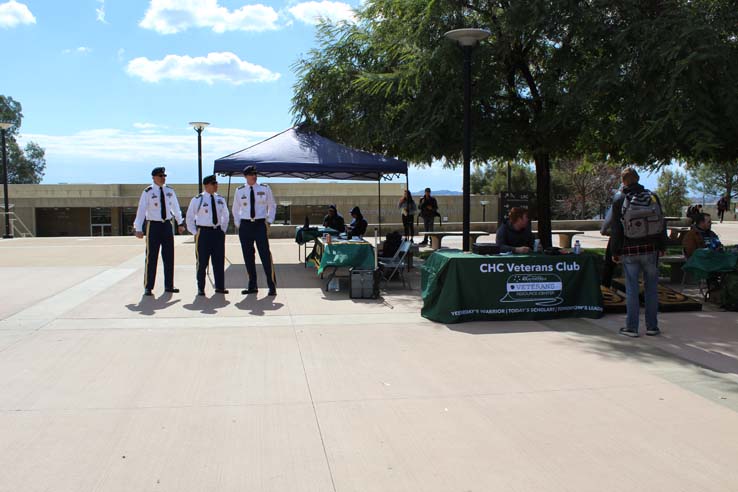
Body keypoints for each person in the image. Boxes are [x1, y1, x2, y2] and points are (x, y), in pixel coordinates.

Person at [611, 167, 667, 338]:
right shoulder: (652, 197)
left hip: (629, 250)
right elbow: (661, 222)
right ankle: (652, 327)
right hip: (651, 249)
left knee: (632, 289)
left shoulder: (620, 198)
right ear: (638, 178)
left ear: (623, 181)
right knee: (651, 289)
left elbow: (616, 228)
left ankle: (632, 327)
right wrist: (662, 246)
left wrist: (615, 251)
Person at [133, 166, 185, 296]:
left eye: (164, 176)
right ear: (154, 177)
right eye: (161, 176)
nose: (163, 178)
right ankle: (148, 286)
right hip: (153, 226)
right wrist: (138, 228)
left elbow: (175, 207)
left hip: (167, 225)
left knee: (169, 257)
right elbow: (141, 210)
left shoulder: (169, 191)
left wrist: (180, 222)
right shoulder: (148, 192)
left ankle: (169, 285)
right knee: (152, 257)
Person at [232, 166, 277, 296]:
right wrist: (238, 224)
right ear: (245, 176)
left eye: (255, 174)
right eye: (251, 174)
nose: (254, 176)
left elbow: (272, 205)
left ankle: (272, 285)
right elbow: (235, 209)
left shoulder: (264, 188)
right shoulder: (240, 190)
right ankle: (252, 285)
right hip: (246, 225)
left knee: (265, 255)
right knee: (248, 257)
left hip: (259, 225)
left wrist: (269, 221)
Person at [186, 175, 230, 296]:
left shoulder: (220, 199)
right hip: (203, 233)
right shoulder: (198, 199)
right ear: (206, 185)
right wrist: (195, 232)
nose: (216, 185)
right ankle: (201, 288)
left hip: (217, 232)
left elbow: (226, 215)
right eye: (213, 183)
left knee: (219, 261)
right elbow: (189, 217)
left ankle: (220, 287)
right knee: (202, 262)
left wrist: (223, 230)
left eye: (216, 183)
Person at [599, 188, 623, 289]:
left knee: (609, 264)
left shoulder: (620, 197)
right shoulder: (647, 196)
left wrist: (603, 230)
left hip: (620, 236)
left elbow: (610, 216)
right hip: (643, 240)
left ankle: (605, 289)